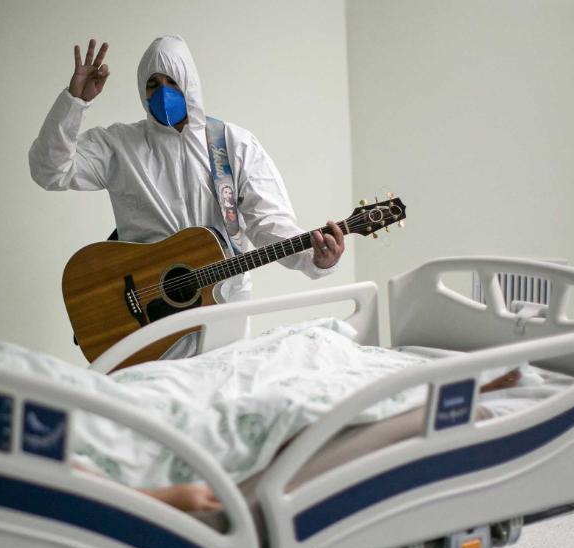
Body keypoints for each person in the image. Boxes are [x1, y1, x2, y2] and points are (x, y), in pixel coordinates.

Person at [29, 36, 346, 356]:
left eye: (172, 81)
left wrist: (314, 259)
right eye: (153, 83)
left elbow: (268, 222)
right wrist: (74, 103)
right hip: (144, 318)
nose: (162, 92)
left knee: (218, 397)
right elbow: (50, 171)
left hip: (223, 312)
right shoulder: (119, 145)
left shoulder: (233, 144)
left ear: (190, 83)